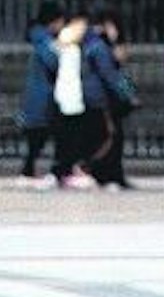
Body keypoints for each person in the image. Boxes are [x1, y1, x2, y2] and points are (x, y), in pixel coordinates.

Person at [83, 11, 136, 190]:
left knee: (109, 137)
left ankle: (112, 174)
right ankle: (106, 174)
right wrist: (127, 94)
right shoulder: (100, 47)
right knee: (110, 137)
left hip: (100, 97)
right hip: (102, 98)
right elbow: (110, 75)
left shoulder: (95, 44)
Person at [18, 4, 63, 182]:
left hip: (40, 95)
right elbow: (54, 62)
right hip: (44, 96)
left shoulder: (40, 39)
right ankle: (48, 170)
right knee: (43, 135)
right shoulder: (46, 41)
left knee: (38, 137)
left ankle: (30, 170)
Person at [50, 14, 96, 188]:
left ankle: (67, 170)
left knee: (71, 137)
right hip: (70, 96)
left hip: (71, 96)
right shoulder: (69, 43)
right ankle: (66, 170)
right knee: (69, 137)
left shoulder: (72, 45)